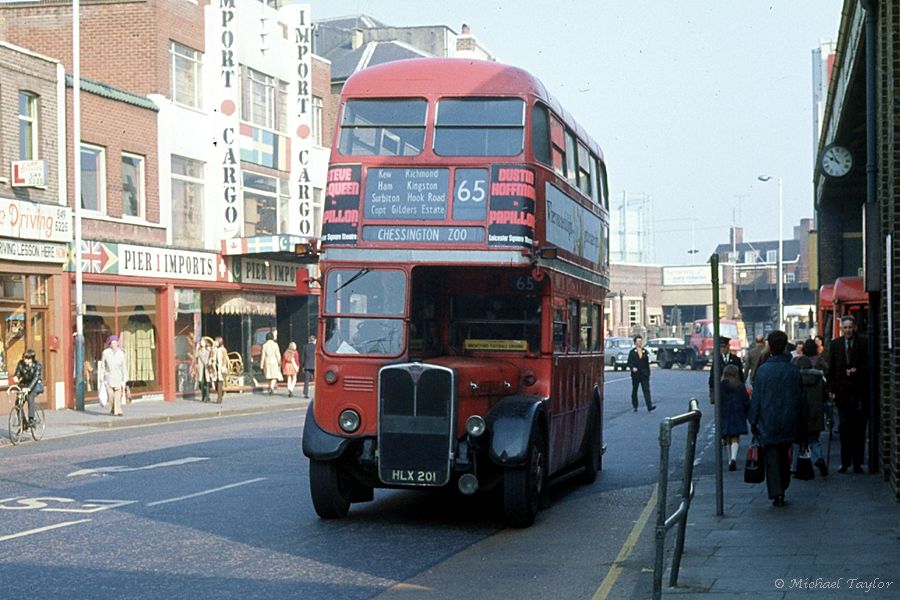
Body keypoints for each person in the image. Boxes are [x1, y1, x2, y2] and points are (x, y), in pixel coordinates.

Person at [748, 330, 804, 507]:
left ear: (770, 347)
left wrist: (753, 420)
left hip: (768, 422)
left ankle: (776, 492)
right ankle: (783, 486)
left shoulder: (763, 372)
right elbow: (801, 399)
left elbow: (756, 399)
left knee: (771, 458)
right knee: (784, 456)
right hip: (789, 421)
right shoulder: (793, 371)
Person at [827, 315, 869, 474]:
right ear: (842, 329)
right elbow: (831, 369)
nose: (848, 330)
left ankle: (857, 463)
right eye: (845, 328)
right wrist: (831, 390)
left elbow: (869, 365)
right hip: (842, 394)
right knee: (844, 429)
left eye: (850, 327)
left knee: (859, 430)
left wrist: (857, 370)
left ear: (855, 328)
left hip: (859, 394)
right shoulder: (835, 344)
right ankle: (845, 463)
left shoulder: (864, 343)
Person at [792, 339, 829, 477]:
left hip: (800, 413)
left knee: (797, 441)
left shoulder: (796, 380)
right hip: (815, 413)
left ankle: (795, 466)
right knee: (814, 439)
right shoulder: (819, 379)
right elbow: (825, 396)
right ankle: (819, 458)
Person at [719, 364, 749, 471]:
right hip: (738, 411)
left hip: (725, 412)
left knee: (728, 437)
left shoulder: (721, 385)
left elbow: (719, 400)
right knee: (736, 436)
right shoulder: (739, 385)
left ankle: (729, 459)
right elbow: (745, 399)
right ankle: (733, 458)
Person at [12, 348, 43, 427]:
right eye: (25, 358)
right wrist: (16, 377)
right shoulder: (21, 363)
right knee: (18, 403)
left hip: (36, 385)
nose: (26, 360)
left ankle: (31, 419)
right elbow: (18, 372)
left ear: (32, 359)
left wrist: (29, 388)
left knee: (30, 396)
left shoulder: (37, 365)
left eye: (28, 358)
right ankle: (23, 422)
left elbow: (36, 378)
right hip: (24, 385)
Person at [709, 336, 743, 402]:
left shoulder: (736, 359)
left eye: (724, 347)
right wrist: (712, 390)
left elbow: (740, 376)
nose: (723, 349)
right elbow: (712, 376)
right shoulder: (717, 360)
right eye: (721, 347)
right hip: (721, 390)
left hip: (733, 389)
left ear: (728, 346)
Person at [627, 335, 655, 413]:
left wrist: (648, 373)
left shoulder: (645, 351)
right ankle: (635, 405)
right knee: (635, 390)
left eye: (641, 341)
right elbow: (629, 362)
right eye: (638, 341)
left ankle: (649, 406)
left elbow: (647, 363)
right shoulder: (632, 352)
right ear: (635, 343)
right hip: (636, 375)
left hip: (644, 374)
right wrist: (632, 368)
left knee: (646, 390)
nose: (640, 343)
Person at [101, 336, 128, 416]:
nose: (114, 345)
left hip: (118, 377)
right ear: (109, 344)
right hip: (109, 377)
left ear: (117, 344)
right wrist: (101, 377)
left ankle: (118, 411)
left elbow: (124, 367)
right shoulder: (105, 353)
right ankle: (113, 408)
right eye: (112, 343)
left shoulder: (121, 353)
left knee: (118, 396)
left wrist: (125, 379)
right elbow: (103, 365)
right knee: (111, 396)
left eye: (115, 343)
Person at [193, 337, 214, 403]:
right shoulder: (199, 350)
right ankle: (203, 395)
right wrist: (196, 348)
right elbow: (195, 356)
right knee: (201, 383)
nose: (201, 343)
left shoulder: (209, 349)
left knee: (207, 382)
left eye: (202, 342)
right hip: (201, 368)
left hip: (207, 367)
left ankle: (207, 397)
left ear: (205, 343)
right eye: (200, 342)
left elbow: (212, 356)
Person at [210, 336, 229, 404]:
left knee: (220, 382)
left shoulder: (223, 349)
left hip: (220, 367)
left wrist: (224, 366)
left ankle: (219, 398)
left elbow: (225, 358)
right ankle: (220, 392)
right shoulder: (214, 349)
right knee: (215, 384)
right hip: (215, 367)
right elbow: (211, 355)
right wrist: (213, 347)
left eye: (217, 341)